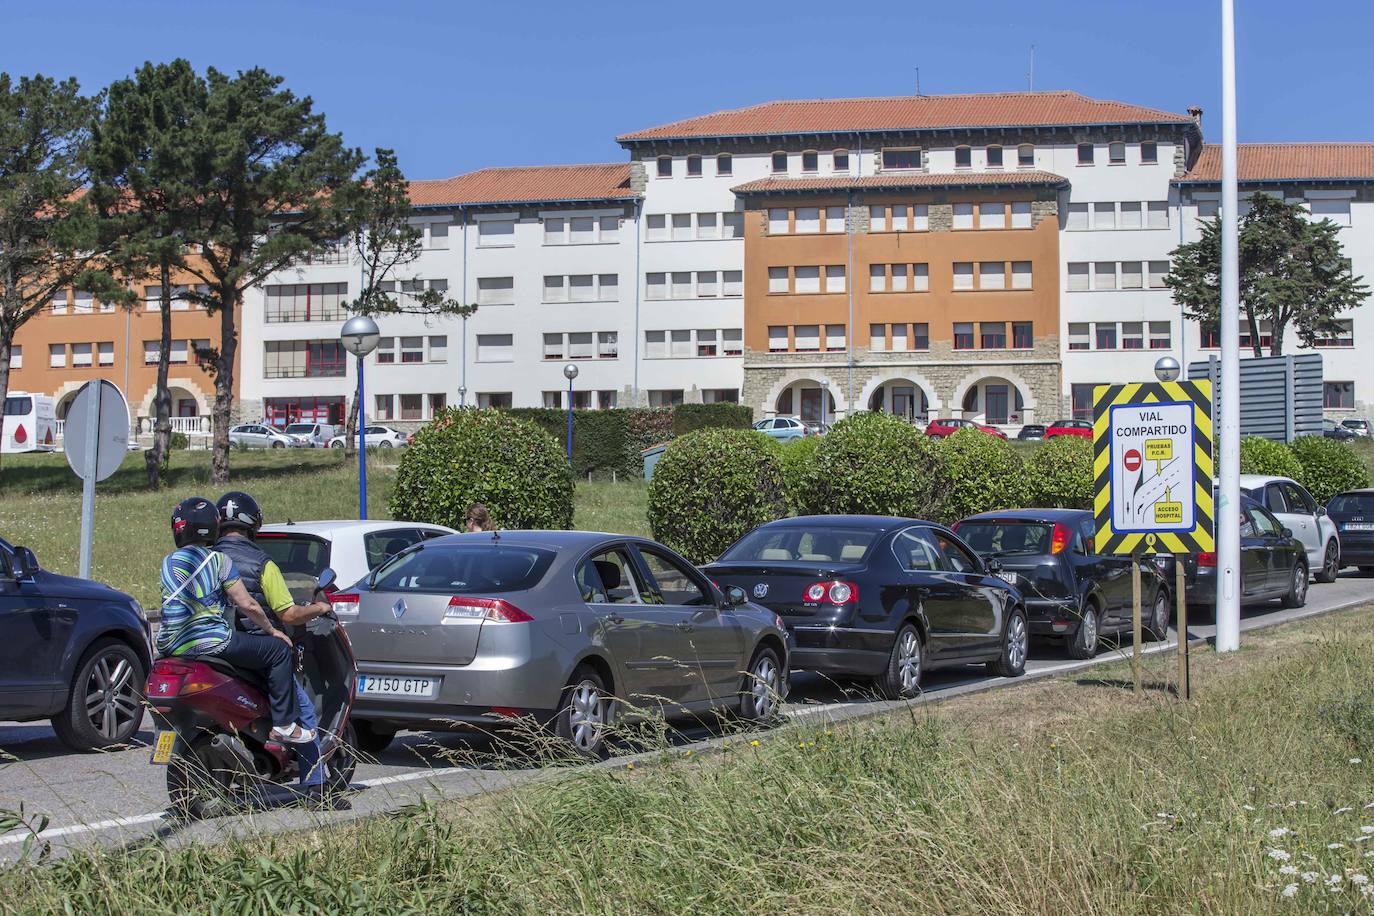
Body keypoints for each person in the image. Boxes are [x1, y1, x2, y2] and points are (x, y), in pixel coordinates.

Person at [214, 491, 348, 809]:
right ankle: (316, 791)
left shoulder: (207, 558)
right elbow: (287, 614)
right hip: (252, 649)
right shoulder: (262, 563)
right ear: (253, 523)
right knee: (304, 714)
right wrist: (317, 608)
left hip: (210, 647)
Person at [158, 497, 313, 745]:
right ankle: (284, 724)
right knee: (279, 652)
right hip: (211, 642)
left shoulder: (167, 562)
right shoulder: (219, 561)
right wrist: (273, 631)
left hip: (169, 645)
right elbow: (247, 603)